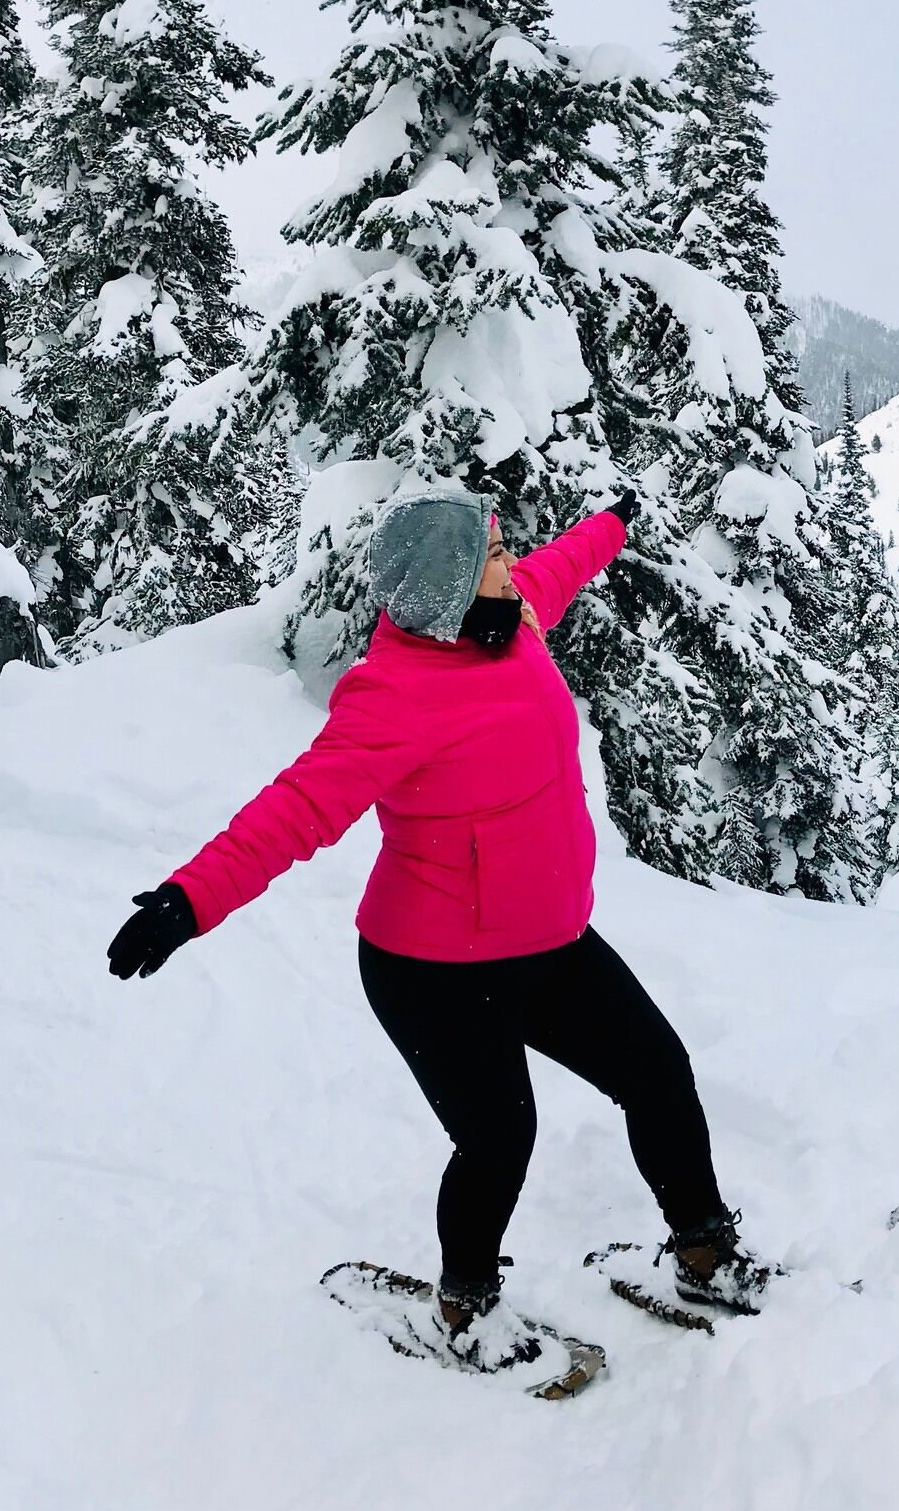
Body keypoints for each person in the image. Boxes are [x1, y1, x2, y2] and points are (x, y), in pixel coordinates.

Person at [104, 489, 771, 1346]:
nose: (511, 563)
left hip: (549, 943)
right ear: (449, 587)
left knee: (659, 1073)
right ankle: (465, 1306)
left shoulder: (511, 618)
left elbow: (557, 568)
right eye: (492, 555)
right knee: (500, 1137)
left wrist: (615, 523)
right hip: (433, 971)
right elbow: (295, 810)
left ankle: (703, 1251)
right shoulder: (394, 696)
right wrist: (189, 900)